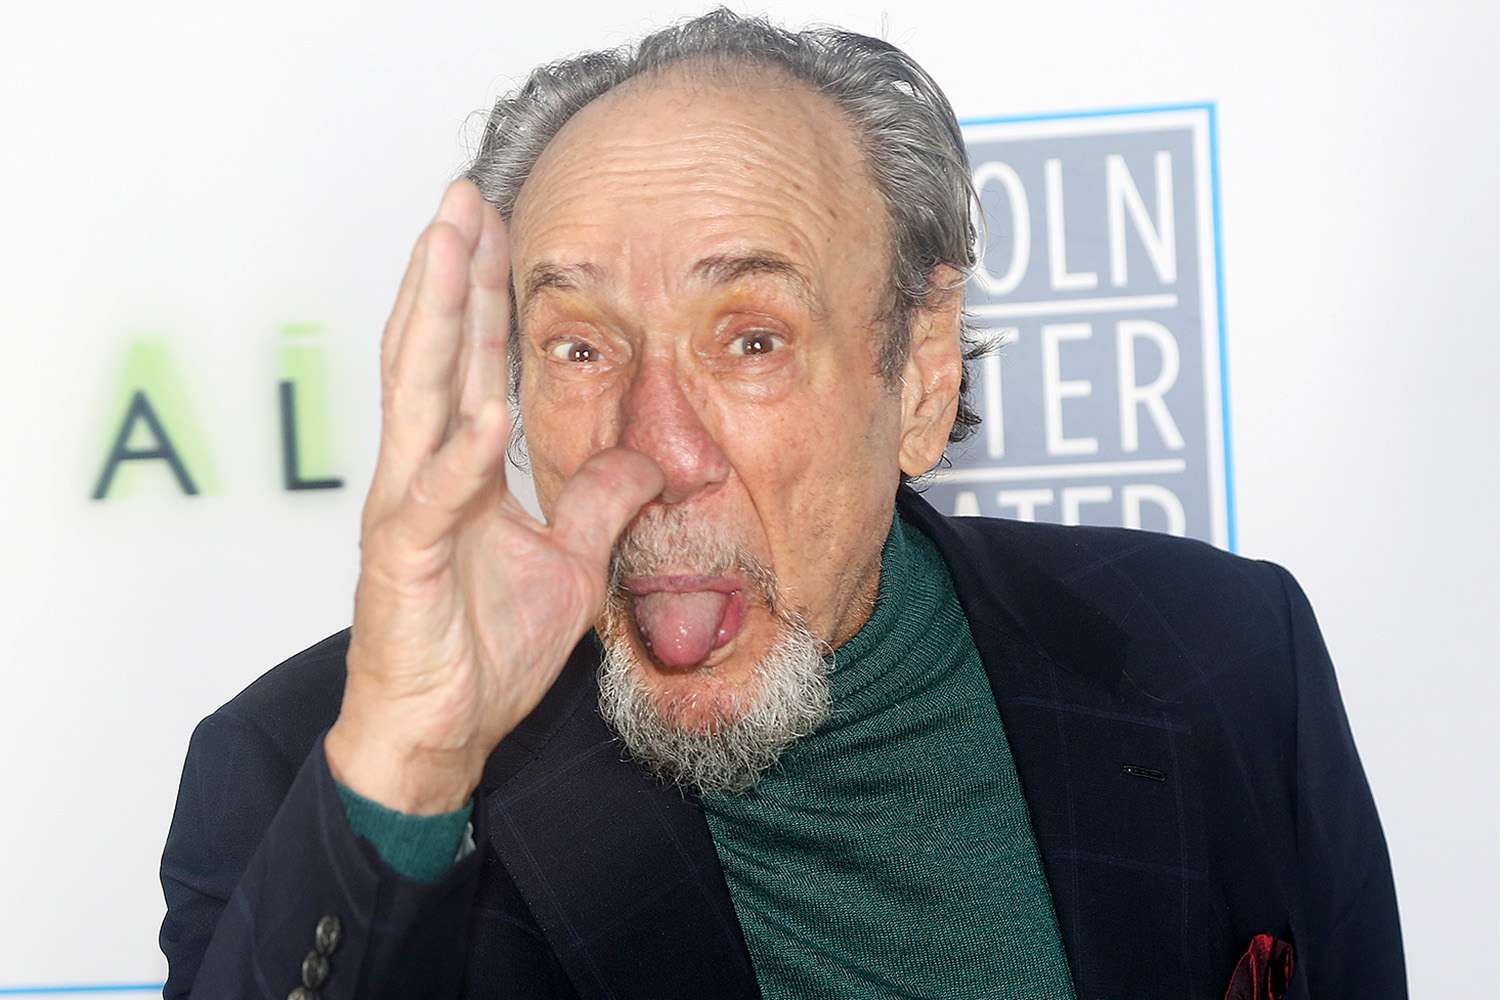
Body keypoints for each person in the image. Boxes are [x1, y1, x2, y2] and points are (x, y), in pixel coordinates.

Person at [158, 9, 1406, 999]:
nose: (657, 449)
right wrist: (415, 757)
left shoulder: (1226, 656)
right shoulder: (315, 776)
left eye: (748, 339)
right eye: (582, 348)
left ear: (918, 372)